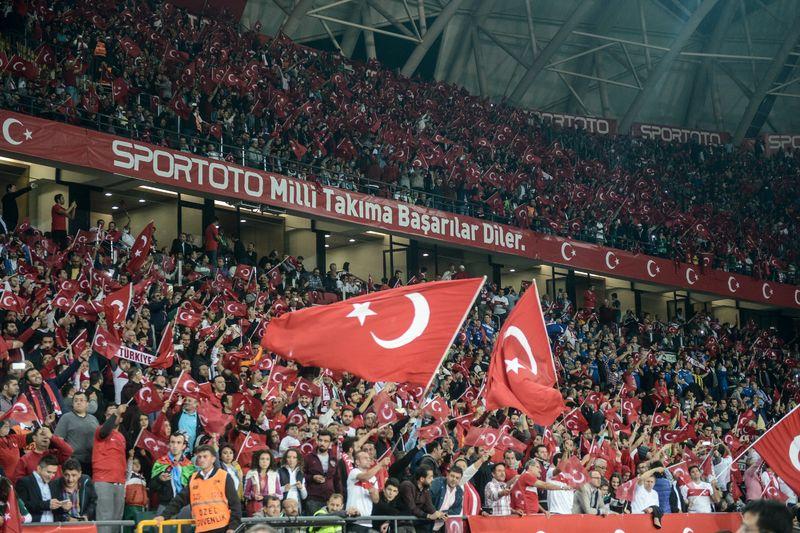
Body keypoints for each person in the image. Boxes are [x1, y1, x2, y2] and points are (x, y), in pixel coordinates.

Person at [154, 444, 242, 533]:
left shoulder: (224, 476)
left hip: (222, 528)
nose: (202, 459)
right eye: (199, 457)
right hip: (201, 529)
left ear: (213, 459)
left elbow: (235, 504)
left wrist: (232, 527)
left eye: (205, 456)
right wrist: (164, 516)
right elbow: (179, 500)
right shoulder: (193, 478)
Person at [93, 403, 128, 533]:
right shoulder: (100, 431)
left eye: (115, 415)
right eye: (109, 415)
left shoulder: (121, 437)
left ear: (121, 419)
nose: (111, 417)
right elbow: (104, 430)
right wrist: (117, 412)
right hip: (104, 480)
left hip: (119, 482)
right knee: (105, 521)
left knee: (117, 522)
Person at [54, 391, 98, 474]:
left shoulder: (93, 419)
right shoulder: (66, 418)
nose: (78, 402)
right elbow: (58, 440)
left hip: (91, 460)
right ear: (72, 404)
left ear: (87, 403)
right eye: (76, 400)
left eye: (81, 400)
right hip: (73, 461)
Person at [151, 433, 196, 513]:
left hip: (185, 506)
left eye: (178, 442)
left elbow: (194, 488)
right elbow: (151, 487)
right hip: (165, 505)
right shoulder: (160, 463)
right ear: (169, 444)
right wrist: (159, 479)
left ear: (183, 446)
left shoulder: (189, 466)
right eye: (172, 442)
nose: (175, 445)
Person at [345, 451, 387, 532]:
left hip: (367, 521)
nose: (368, 460)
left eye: (369, 458)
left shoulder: (374, 478)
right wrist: (380, 464)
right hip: (353, 520)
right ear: (357, 462)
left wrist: (373, 493)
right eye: (365, 458)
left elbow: (376, 500)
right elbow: (365, 477)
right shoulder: (354, 471)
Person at [304, 431, 341, 514]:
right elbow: (302, 476)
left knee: (329, 525)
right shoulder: (308, 458)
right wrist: (312, 477)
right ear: (317, 441)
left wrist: (340, 496)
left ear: (330, 443)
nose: (322, 443)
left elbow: (337, 479)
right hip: (313, 499)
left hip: (330, 500)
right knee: (314, 525)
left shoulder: (334, 458)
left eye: (326, 441)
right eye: (320, 440)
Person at [398, 466, 445, 531]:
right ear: (422, 479)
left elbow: (429, 506)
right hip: (399, 522)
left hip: (411, 522)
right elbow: (412, 508)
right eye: (430, 477)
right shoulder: (407, 485)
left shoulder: (425, 489)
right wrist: (428, 516)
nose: (432, 479)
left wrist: (440, 514)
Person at [16, 455, 60, 523]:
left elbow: (56, 509)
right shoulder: (24, 482)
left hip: (53, 527)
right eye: (48, 472)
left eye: (54, 473)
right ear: (39, 468)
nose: (51, 476)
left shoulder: (54, 483)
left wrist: (63, 507)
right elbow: (22, 507)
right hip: (33, 527)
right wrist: (46, 505)